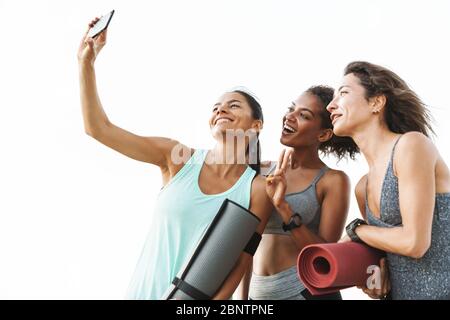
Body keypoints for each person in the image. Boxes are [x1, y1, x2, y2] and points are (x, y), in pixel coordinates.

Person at [77, 18, 272, 300]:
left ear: (256, 125)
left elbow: (240, 262)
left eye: (233, 105)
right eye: (216, 107)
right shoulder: (176, 158)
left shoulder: (257, 190)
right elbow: (98, 129)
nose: (221, 110)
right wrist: (86, 63)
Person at [328, 61, 450, 300]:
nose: (331, 105)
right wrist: (376, 282)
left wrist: (357, 230)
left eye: (343, 93)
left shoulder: (411, 145)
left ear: (376, 102)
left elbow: (415, 243)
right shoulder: (362, 187)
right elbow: (387, 257)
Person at [236, 86, 359, 300]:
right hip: (259, 294)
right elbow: (244, 242)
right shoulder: (260, 171)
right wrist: (242, 299)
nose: (290, 117)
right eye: (291, 109)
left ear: (323, 134)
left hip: (306, 292)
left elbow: (325, 254)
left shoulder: (333, 180)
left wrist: (284, 208)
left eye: (304, 115)